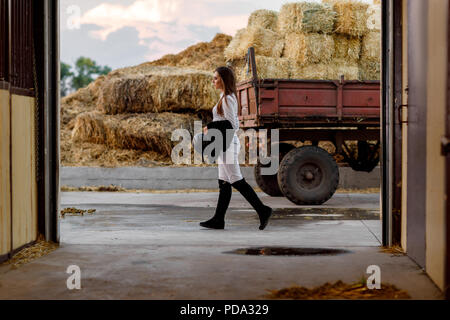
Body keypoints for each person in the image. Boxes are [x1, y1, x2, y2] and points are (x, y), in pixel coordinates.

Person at [199, 66, 273, 230]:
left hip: (228, 144)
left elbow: (233, 125)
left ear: (224, 80)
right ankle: (218, 219)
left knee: (236, 180)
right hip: (223, 143)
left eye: (216, 78)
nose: (213, 81)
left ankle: (263, 210)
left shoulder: (228, 99)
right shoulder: (223, 97)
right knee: (224, 182)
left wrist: (210, 126)